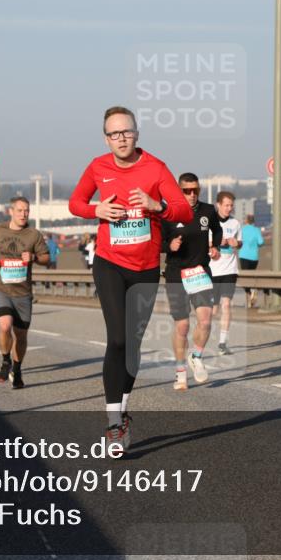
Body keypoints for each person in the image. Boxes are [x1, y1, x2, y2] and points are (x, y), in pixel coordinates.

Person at [69, 105, 190, 452]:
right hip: (109, 262)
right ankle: (112, 424)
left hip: (146, 267)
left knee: (133, 347)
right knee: (118, 339)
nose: (121, 138)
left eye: (126, 132)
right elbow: (75, 203)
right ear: (106, 138)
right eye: (114, 134)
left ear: (137, 134)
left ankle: (121, 413)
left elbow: (181, 207)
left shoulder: (155, 167)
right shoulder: (98, 167)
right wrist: (98, 210)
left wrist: (157, 205)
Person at [0, 197, 50, 389]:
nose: (23, 214)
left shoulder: (33, 235)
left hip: (23, 293)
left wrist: (35, 257)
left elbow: (46, 258)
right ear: (10, 211)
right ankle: (6, 361)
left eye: (26, 211)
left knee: (20, 335)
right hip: (0, 288)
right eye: (20, 210)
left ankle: (17, 369)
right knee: (5, 325)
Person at [162, 173, 221, 390]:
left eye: (196, 190)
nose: (192, 194)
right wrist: (170, 247)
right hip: (176, 274)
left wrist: (215, 246)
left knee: (205, 321)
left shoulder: (207, 211)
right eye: (187, 191)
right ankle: (180, 372)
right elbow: (157, 242)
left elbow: (218, 229)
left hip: (200, 271)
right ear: (179, 191)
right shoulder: (168, 213)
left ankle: (196, 356)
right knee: (183, 325)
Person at [210, 191, 241, 354]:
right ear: (218, 205)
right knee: (213, 310)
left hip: (230, 269)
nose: (229, 208)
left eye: (231, 205)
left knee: (227, 304)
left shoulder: (235, 223)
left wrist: (236, 243)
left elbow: (239, 243)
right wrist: (215, 242)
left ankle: (222, 343)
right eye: (226, 205)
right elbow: (202, 244)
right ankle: (203, 334)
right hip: (213, 270)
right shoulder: (210, 222)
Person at [238, 214, 264, 307]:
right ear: (253, 221)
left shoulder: (242, 230)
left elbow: (238, 241)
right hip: (254, 257)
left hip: (244, 256)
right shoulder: (256, 230)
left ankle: (249, 296)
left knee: (245, 278)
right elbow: (261, 242)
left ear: (246, 221)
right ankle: (252, 290)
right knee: (251, 276)